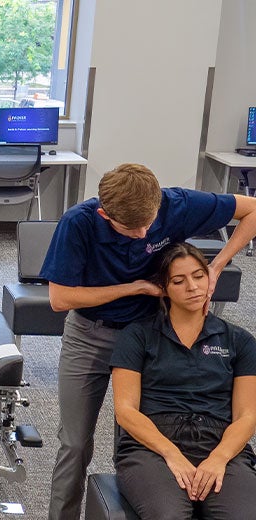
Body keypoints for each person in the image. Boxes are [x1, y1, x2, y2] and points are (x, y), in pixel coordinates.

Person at [42, 163, 256, 519]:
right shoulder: (78, 222)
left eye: (148, 224)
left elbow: (251, 209)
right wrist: (136, 287)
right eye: (131, 229)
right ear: (103, 213)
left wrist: (216, 266)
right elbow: (60, 299)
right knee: (75, 443)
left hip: (149, 334)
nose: (143, 234)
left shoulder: (177, 204)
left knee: (133, 441)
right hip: (92, 334)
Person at [109, 242, 256, 519]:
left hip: (219, 441)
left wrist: (219, 458)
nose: (192, 287)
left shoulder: (240, 340)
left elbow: (247, 416)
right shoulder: (137, 336)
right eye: (179, 280)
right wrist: (172, 454)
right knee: (170, 516)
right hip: (152, 446)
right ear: (164, 288)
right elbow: (125, 411)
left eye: (199, 276)